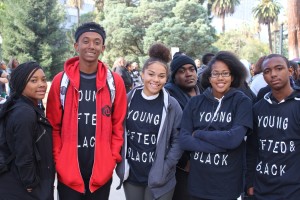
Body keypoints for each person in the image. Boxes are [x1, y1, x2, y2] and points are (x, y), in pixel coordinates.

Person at [46, 22, 127, 200]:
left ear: (103, 47)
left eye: (97, 42)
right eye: (86, 41)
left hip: (101, 172)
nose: (91, 46)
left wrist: (111, 158)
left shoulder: (115, 82)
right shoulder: (61, 81)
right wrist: (59, 160)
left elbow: (118, 125)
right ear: (76, 46)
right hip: (68, 172)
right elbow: (53, 126)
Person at [180, 51, 253, 199]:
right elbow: (184, 140)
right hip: (198, 184)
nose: (220, 78)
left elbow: (234, 139)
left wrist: (199, 134)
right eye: (215, 73)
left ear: (232, 77)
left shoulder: (242, 102)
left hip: (227, 185)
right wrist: (224, 145)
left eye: (225, 73)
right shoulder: (195, 103)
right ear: (209, 77)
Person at [116, 43, 183, 200]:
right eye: (151, 74)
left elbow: (178, 140)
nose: (156, 80)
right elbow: (117, 131)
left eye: (161, 76)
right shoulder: (128, 99)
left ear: (167, 78)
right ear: (142, 75)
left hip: (161, 177)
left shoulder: (172, 105)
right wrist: (120, 163)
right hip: (132, 174)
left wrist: (164, 168)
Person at [246, 54, 300, 199]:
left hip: (293, 190)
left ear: (290, 71)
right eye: (267, 71)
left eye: (279, 68)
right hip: (261, 188)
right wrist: (249, 181)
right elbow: (252, 147)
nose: (273, 74)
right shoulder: (258, 108)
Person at [0, 61, 54, 200]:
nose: (42, 84)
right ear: (21, 84)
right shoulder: (25, 113)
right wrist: (30, 183)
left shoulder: (23, 107)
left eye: (43, 79)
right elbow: (24, 154)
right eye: (34, 81)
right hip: (23, 190)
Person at [164, 53, 200, 200]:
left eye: (191, 69)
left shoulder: (205, 92)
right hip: (181, 167)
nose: (188, 74)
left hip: (204, 164)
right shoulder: (169, 96)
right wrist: (184, 161)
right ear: (174, 76)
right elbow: (169, 135)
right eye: (182, 71)